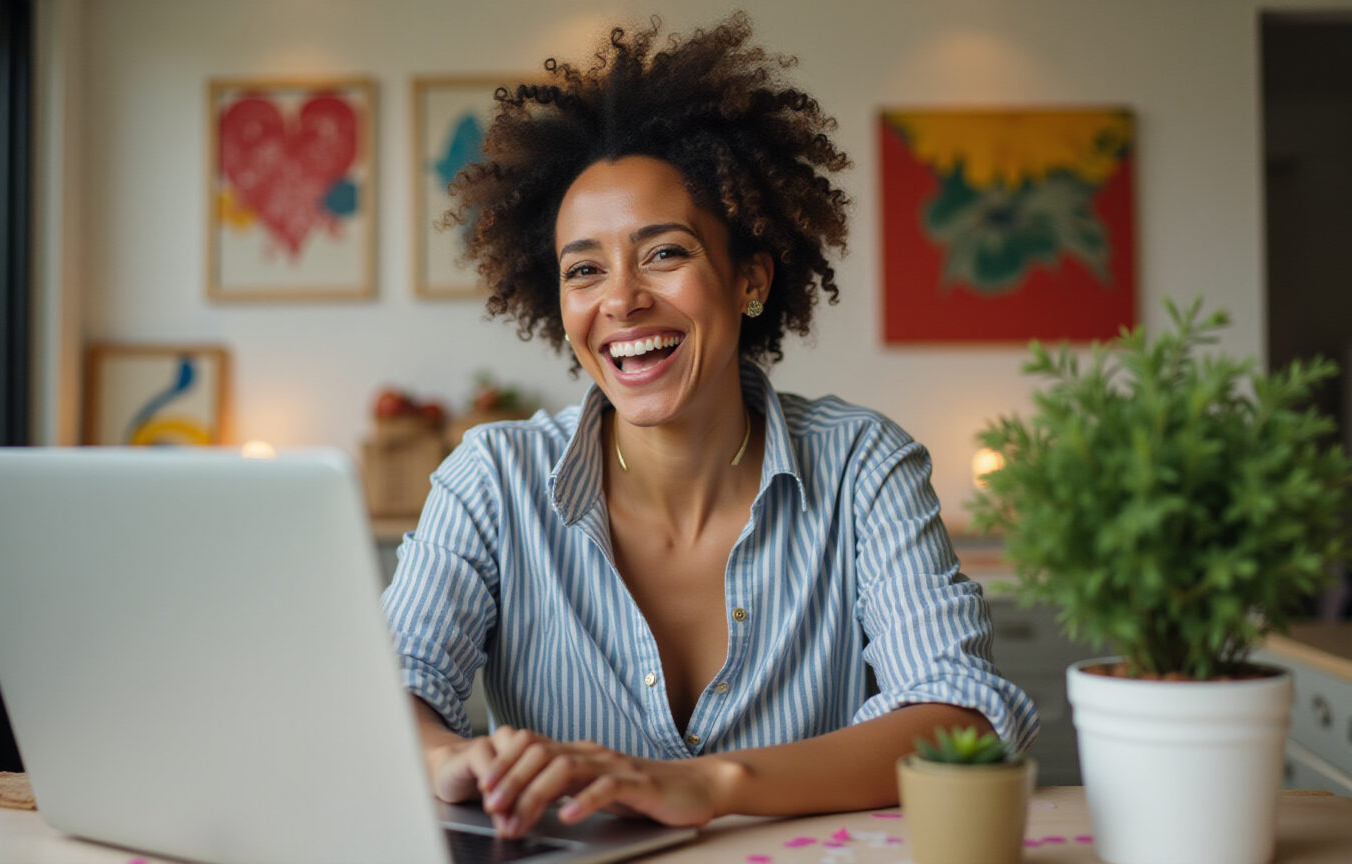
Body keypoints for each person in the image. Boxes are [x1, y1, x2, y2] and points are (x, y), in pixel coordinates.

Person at [380, 12, 1038, 840]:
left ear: (750, 280)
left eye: (665, 253)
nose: (620, 300)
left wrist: (710, 784)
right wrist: (445, 758)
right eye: (584, 269)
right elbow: (384, 694)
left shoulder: (863, 465)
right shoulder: (493, 478)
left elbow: (960, 718)